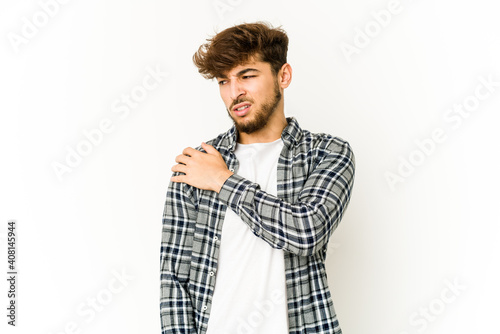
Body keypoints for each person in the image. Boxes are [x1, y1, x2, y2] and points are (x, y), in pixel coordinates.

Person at [160, 22, 355, 334]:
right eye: (224, 81)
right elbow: (174, 279)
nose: (235, 92)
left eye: (247, 76)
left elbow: (307, 232)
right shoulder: (196, 164)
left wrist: (223, 181)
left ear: (283, 76)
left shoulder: (327, 153)